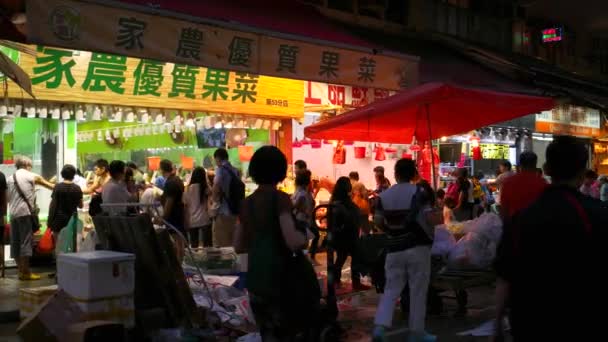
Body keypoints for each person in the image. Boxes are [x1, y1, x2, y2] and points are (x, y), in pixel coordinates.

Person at [493, 136, 608, 341]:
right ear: (583, 172)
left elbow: (505, 275)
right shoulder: (599, 214)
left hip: (532, 323)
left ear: (546, 169)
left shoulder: (520, 219)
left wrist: (496, 324)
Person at [234, 146, 318, 340]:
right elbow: (292, 241)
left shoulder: (247, 203)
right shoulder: (280, 199)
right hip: (281, 280)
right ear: (280, 171)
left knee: (267, 334)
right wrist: (306, 236)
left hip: (255, 279)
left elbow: (238, 245)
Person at [373, 159, 435, 342]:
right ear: (414, 173)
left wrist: (392, 231)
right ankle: (417, 332)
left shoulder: (383, 197)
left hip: (394, 248)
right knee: (417, 289)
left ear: (395, 174)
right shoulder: (420, 193)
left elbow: (378, 222)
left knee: (391, 289)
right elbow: (428, 219)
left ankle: (380, 327)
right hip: (418, 248)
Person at [7, 156, 55, 281]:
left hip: (12, 214)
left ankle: (20, 271)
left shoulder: (10, 178)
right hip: (25, 213)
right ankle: (26, 272)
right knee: (26, 242)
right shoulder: (31, 176)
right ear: (28, 165)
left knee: (16, 242)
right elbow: (51, 186)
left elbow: (8, 198)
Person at [330, 177, 367, 290]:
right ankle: (355, 282)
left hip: (342, 235)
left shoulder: (336, 200)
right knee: (352, 257)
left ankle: (337, 280)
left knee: (342, 257)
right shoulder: (343, 202)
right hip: (348, 234)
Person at [499, 152, 547, 221]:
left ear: (520, 165)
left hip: (515, 227)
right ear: (535, 164)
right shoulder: (543, 183)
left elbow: (504, 211)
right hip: (536, 227)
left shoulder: (508, 182)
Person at [211, 148, 240, 247]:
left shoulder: (221, 170)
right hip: (235, 209)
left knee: (223, 242)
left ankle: (227, 261)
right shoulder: (235, 170)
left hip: (224, 210)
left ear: (218, 158)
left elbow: (216, 186)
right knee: (233, 241)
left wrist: (214, 201)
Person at [48, 165, 83, 236]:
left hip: (58, 220)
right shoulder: (77, 188)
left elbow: (53, 205)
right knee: (71, 244)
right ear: (74, 174)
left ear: (62, 174)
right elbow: (80, 205)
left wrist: (49, 221)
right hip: (72, 219)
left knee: (58, 244)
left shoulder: (58, 187)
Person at [184, 167, 212, 248]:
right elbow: (212, 193)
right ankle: (208, 260)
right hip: (205, 219)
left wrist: (186, 220)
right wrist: (206, 181)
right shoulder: (205, 188)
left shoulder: (187, 189)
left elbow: (185, 206)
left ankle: (195, 260)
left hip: (192, 220)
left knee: (194, 246)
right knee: (208, 246)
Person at [292, 170, 316, 261]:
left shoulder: (300, 193)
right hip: (304, 221)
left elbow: (294, 207)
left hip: (299, 222)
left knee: (300, 246)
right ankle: (302, 262)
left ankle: (301, 262)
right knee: (303, 246)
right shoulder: (305, 193)